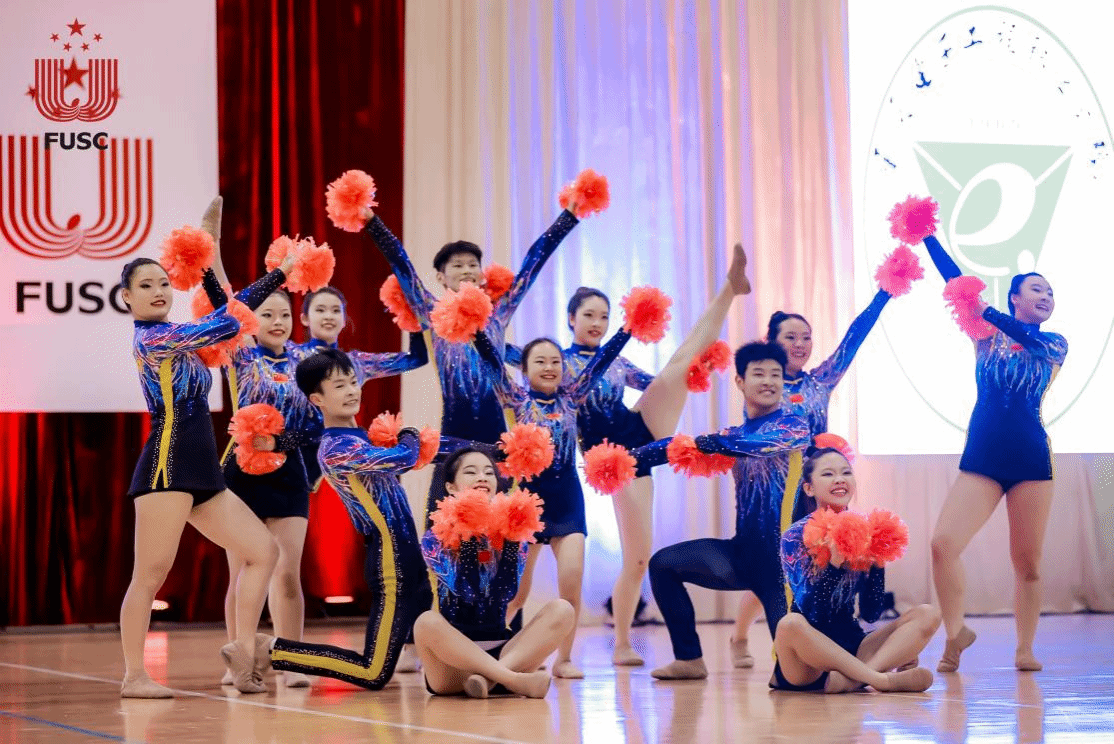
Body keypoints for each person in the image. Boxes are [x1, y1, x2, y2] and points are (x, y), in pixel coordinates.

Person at [528, 254, 749, 667]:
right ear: (571, 319)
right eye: (588, 315)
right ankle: (622, 642)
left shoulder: (616, 360)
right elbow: (533, 379)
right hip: (613, 458)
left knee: (680, 363)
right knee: (639, 557)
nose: (597, 323)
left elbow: (654, 382)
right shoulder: (561, 364)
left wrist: (694, 370)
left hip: (639, 427)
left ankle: (729, 290)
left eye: (604, 316)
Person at [119, 250, 292, 697]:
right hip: (167, 467)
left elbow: (227, 314)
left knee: (263, 551)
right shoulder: (153, 339)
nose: (158, 291)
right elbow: (227, 321)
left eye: (163, 283)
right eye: (145, 285)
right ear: (127, 297)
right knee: (149, 576)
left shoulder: (177, 335)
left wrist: (274, 274)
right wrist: (276, 275)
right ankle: (134, 676)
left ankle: (242, 652)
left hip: (202, 470)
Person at [917, 232, 1067, 673]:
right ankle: (955, 633)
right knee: (943, 544)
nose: (1046, 296)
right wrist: (927, 235)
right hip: (983, 456)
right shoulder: (985, 335)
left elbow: (1023, 336)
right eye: (1037, 288)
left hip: (1030, 461)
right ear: (1015, 297)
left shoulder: (1054, 343)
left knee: (1028, 563)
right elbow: (956, 283)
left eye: (1050, 292)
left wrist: (985, 309)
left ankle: (1025, 648)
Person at [733, 286, 896, 666]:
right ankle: (748, 638)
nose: (800, 344)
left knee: (814, 566)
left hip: (815, 485)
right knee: (775, 569)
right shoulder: (765, 385)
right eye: (790, 337)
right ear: (772, 343)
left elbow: (853, 339)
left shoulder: (819, 382)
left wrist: (884, 293)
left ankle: (821, 642)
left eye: (806, 337)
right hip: (775, 490)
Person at [475, 329, 638, 678]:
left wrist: (627, 330)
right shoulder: (516, 399)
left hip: (568, 503)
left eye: (555, 362)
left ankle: (564, 659)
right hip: (526, 505)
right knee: (516, 594)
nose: (549, 367)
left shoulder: (572, 397)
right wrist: (475, 332)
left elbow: (601, 362)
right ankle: (488, 656)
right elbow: (492, 364)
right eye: (540, 361)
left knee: (571, 583)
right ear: (524, 369)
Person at [266, 349, 432, 689]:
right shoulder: (335, 447)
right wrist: (410, 434)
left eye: (354, 382)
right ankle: (274, 651)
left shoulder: (363, 437)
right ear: (317, 399)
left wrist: (490, 451)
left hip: (409, 556)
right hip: (390, 560)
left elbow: (424, 451)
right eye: (340, 385)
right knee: (373, 672)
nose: (352, 391)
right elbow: (402, 458)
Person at [647, 341, 811, 680]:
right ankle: (689, 659)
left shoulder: (793, 425)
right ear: (740, 381)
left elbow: (759, 444)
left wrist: (717, 443)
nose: (769, 381)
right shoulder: (733, 433)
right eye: (759, 374)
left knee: (795, 675)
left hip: (781, 565)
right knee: (662, 564)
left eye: (776, 375)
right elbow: (681, 446)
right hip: (741, 556)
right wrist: (629, 458)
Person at [771, 447, 940, 693]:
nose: (839, 479)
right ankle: (880, 680)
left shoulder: (865, 530)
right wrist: (835, 565)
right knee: (790, 624)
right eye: (828, 474)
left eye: (846, 472)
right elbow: (813, 612)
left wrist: (878, 566)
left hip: (854, 646)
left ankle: (856, 679)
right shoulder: (794, 536)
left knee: (927, 613)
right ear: (809, 488)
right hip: (808, 659)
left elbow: (871, 614)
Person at [414, 447, 575, 698]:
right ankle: (510, 680)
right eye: (471, 472)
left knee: (563, 610)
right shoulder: (435, 538)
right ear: (451, 487)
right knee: (426, 622)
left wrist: (510, 539)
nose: (482, 477)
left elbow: (506, 593)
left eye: (489, 472)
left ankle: (488, 679)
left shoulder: (513, 532)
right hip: (453, 664)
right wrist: (469, 534)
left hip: (506, 654)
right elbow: (468, 591)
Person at [219, 288, 316, 688]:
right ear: (252, 320)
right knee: (242, 572)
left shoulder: (306, 362)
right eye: (268, 314)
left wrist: (279, 442)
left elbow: (316, 427)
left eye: (285, 315)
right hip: (241, 474)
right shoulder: (241, 354)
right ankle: (238, 660)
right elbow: (225, 300)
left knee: (287, 574)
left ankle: (292, 662)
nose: (278, 322)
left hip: (289, 475)